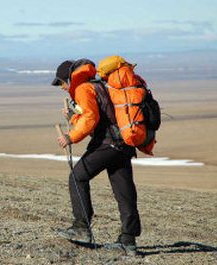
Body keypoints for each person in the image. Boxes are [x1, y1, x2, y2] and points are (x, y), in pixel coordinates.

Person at [51, 58, 141, 255]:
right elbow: (98, 116)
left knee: (77, 176)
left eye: (62, 82)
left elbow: (91, 119)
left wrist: (71, 137)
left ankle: (82, 227)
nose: (62, 87)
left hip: (107, 144)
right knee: (124, 192)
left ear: (70, 76)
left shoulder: (83, 88)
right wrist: (73, 117)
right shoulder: (101, 85)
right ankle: (128, 241)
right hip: (124, 144)